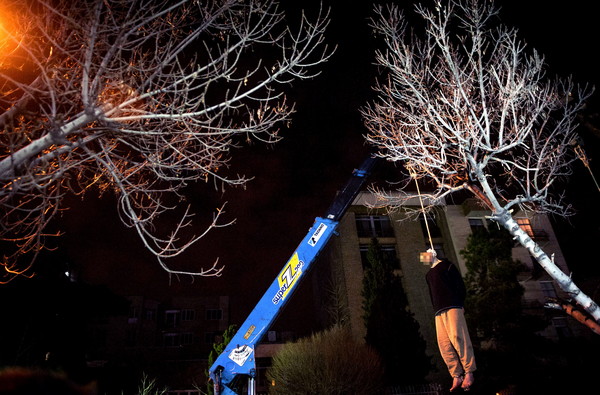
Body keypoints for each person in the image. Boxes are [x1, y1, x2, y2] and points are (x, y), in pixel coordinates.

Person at [425, 253, 476, 392]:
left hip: (452, 305)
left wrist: (460, 303)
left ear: (433, 254)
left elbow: (460, 285)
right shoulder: (429, 274)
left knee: (459, 338)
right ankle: (456, 374)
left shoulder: (448, 266)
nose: (423, 259)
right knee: (443, 344)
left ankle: (469, 372)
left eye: (426, 255)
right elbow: (432, 294)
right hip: (438, 311)